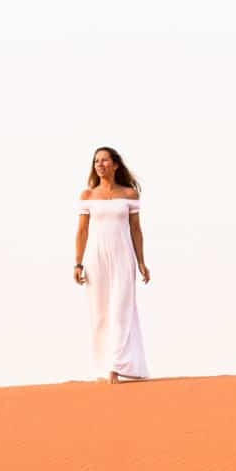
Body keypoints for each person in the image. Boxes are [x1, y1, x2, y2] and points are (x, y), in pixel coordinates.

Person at [74, 146, 150, 383]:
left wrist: (141, 262)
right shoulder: (88, 195)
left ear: (115, 165)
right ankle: (102, 365)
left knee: (120, 309)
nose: (100, 165)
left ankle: (115, 367)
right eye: (97, 161)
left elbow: (136, 230)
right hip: (96, 258)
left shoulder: (128, 194)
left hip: (122, 257)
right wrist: (78, 263)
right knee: (100, 312)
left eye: (105, 161)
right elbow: (82, 230)